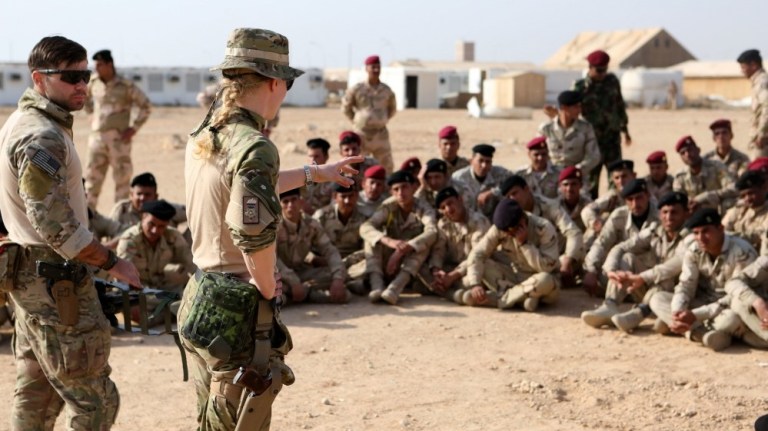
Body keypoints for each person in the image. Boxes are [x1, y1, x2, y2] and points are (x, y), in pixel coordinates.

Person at [180, 28, 361, 430]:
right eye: (289, 82)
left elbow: (242, 185)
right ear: (275, 82)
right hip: (236, 306)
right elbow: (252, 232)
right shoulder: (254, 144)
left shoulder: (207, 134)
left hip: (201, 293)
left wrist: (316, 173)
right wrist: (265, 285)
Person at [0, 35, 141, 430]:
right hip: (53, 282)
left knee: (37, 394)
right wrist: (113, 262)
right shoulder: (41, 135)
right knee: (94, 402)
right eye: (70, 77)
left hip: (32, 279)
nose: (82, 85)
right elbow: (55, 226)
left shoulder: (29, 122)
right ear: (39, 79)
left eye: (85, 76)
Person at [649, 208, 757, 351]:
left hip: (732, 306)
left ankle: (680, 327)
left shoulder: (742, 252)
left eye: (706, 231)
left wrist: (695, 315)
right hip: (704, 302)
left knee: (730, 319)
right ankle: (699, 333)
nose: (700, 238)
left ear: (720, 229)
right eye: (696, 233)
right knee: (657, 299)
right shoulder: (694, 250)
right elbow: (686, 286)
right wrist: (677, 312)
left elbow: (737, 298)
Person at [583, 192, 691, 331]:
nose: (668, 217)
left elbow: (673, 266)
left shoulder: (692, 236)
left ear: (686, 214)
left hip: (676, 294)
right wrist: (611, 270)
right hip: (650, 288)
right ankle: (610, 305)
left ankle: (638, 314)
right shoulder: (654, 230)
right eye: (665, 212)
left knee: (665, 276)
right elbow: (621, 247)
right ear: (659, 214)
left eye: (674, 212)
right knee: (627, 258)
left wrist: (642, 277)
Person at [464, 199, 560, 311]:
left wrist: (524, 244)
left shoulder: (544, 227)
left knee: (546, 279)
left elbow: (546, 268)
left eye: (511, 231)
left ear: (522, 220)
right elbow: (478, 253)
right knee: (483, 264)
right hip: (514, 278)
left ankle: (499, 300)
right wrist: (475, 284)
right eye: (505, 231)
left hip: (539, 283)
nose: (507, 234)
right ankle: (523, 300)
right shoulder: (501, 228)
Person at [84, 49, 152, 208]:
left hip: (119, 142)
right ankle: (88, 221)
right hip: (97, 141)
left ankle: (119, 222)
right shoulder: (93, 83)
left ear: (110, 65)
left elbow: (146, 106)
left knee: (122, 183)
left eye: (100, 65)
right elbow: (84, 99)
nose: (97, 68)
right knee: (91, 183)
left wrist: (133, 128)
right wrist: (91, 116)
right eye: (96, 65)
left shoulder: (126, 86)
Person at [360, 170, 437, 305]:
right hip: (388, 257)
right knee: (372, 240)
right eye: (396, 189)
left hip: (410, 263)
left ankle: (395, 288)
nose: (401, 193)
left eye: (405, 187)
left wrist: (407, 247)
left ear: (414, 187)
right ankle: (376, 285)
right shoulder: (389, 206)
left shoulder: (423, 207)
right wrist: (389, 241)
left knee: (422, 246)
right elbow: (366, 227)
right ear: (391, 192)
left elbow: (432, 231)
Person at [116, 200, 195, 325]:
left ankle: (174, 309)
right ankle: (176, 310)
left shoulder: (172, 236)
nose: (155, 230)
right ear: (143, 217)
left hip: (163, 286)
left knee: (182, 277)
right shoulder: (130, 239)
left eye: (161, 226)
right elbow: (123, 277)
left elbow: (192, 265)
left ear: (167, 224)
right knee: (134, 312)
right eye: (151, 224)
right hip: (138, 290)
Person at [582, 179, 659, 298]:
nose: (635, 204)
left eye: (639, 198)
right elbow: (601, 243)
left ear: (648, 195)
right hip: (624, 271)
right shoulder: (619, 215)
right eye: (630, 199)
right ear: (625, 201)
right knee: (602, 271)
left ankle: (612, 301)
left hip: (650, 274)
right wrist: (591, 270)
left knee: (627, 258)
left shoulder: (660, 215)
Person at [501, 175, 584, 287]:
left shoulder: (550, 206)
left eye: (515, 193)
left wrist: (567, 262)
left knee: (578, 254)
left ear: (526, 189)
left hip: (551, 259)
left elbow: (573, 233)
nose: (512, 199)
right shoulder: (508, 213)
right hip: (524, 262)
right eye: (508, 196)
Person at [573, 50, 631, 199]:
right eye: (599, 70)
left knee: (617, 177)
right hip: (592, 141)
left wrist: (625, 130)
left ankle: (615, 209)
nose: (602, 73)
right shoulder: (581, 87)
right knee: (592, 181)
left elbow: (619, 105)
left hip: (612, 138)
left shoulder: (612, 82)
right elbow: (571, 112)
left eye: (605, 69)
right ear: (590, 67)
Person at [276, 189, 348, 304]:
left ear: (301, 202)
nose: (290, 205)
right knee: (269, 288)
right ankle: (304, 294)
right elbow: (271, 259)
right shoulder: (274, 227)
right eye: (285, 202)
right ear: (279, 205)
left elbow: (330, 250)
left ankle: (298, 294)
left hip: (301, 272)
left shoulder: (311, 224)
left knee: (336, 274)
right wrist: (293, 281)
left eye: (294, 200)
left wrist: (338, 279)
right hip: (280, 275)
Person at [421, 186, 490, 304]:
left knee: (470, 281)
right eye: (443, 208)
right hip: (452, 268)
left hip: (474, 267)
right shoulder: (443, 224)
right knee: (422, 270)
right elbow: (439, 250)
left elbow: (475, 256)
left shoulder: (479, 221)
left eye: (450, 203)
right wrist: (436, 271)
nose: (448, 209)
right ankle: (453, 294)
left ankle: (441, 290)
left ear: (460, 200)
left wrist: (452, 277)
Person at [341, 55, 397, 173]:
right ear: (366, 69)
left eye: (378, 67)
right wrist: (357, 120)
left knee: (386, 165)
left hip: (380, 133)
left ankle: (385, 188)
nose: (376, 70)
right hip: (362, 134)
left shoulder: (386, 90)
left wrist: (382, 119)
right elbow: (346, 107)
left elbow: (392, 108)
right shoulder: (357, 89)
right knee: (358, 164)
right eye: (373, 67)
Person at [313, 184, 368, 294]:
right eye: (343, 197)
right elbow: (306, 245)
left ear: (357, 196)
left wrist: (348, 261)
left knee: (369, 265)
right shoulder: (321, 216)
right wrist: (314, 259)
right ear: (335, 197)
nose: (347, 201)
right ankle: (349, 283)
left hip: (352, 263)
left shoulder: (364, 218)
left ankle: (342, 281)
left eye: (351, 196)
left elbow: (366, 248)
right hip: (326, 263)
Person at [538, 90, 600, 174]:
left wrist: (576, 170)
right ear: (564, 108)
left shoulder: (585, 128)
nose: (579, 110)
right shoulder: (546, 129)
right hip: (551, 175)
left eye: (580, 106)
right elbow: (538, 152)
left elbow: (593, 156)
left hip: (576, 176)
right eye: (575, 107)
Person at [673, 135, 737, 214]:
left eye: (690, 150)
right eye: (683, 153)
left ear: (698, 150)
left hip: (717, 211)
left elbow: (733, 188)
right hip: (694, 214)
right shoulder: (680, 176)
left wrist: (708, 196)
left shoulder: (716, 166)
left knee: (729, 202)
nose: (687, 154)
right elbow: (678, 199)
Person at [580, 159, 636, 244]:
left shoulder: (641, 195)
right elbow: (586, 211)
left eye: (624, 176)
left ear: (633, 175)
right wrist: (596, 223)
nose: (621, 181)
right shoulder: (612, 196)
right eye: (617, 178)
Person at [109, 172, 186, 231]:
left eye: (147, 195)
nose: (142, 198)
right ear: (131, 195)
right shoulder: (121, 210)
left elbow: (193, 213)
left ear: (156, 197)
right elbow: (110, 233)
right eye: (139, 194)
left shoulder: (166, 209)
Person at [451, 144, 513, 218]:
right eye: (480, 161)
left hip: (494, 219)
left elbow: (514, 182)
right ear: (471, 161)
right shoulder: (458, 178)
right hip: (468, 220)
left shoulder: (499, 173)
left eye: (488, 162)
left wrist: (493, 192)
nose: (484, 165)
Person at [722, 170, 768, 251]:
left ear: (764, 188)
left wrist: (729, 237)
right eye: (743, 195)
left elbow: (760, 234)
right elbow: (723, 229)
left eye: (751, 193)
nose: (747, 199)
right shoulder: (739, 209)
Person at [737, 49, 768, 158]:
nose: (742, 71)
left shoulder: (762, 83)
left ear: (754, 65)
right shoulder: (758, 82)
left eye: (743, 68)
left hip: (763, 140)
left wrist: (762, 134)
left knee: (758, 170)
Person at [302, 138, 335, 214]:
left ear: (326, 157)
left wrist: (317, 212)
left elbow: (336, 204)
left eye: (316, 156)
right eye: (310, 156)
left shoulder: (334, 178)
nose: (312, 160)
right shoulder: (301, 177)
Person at [557, 166, 592, 234]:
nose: (569, 189)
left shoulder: (588, 204)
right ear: (560, 186)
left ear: (580, 185)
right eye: (565, 184)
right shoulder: (555, 206)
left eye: (574, 184)